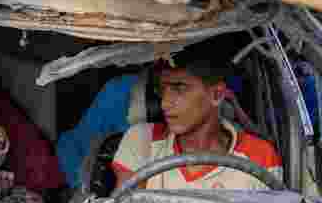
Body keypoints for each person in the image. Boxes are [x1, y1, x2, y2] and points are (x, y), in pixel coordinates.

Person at [112, 46, 282, 191]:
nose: (164, 103)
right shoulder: (142, 140)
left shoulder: (260, 156)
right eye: (162, 89)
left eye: (179, 88)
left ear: (217, 94)